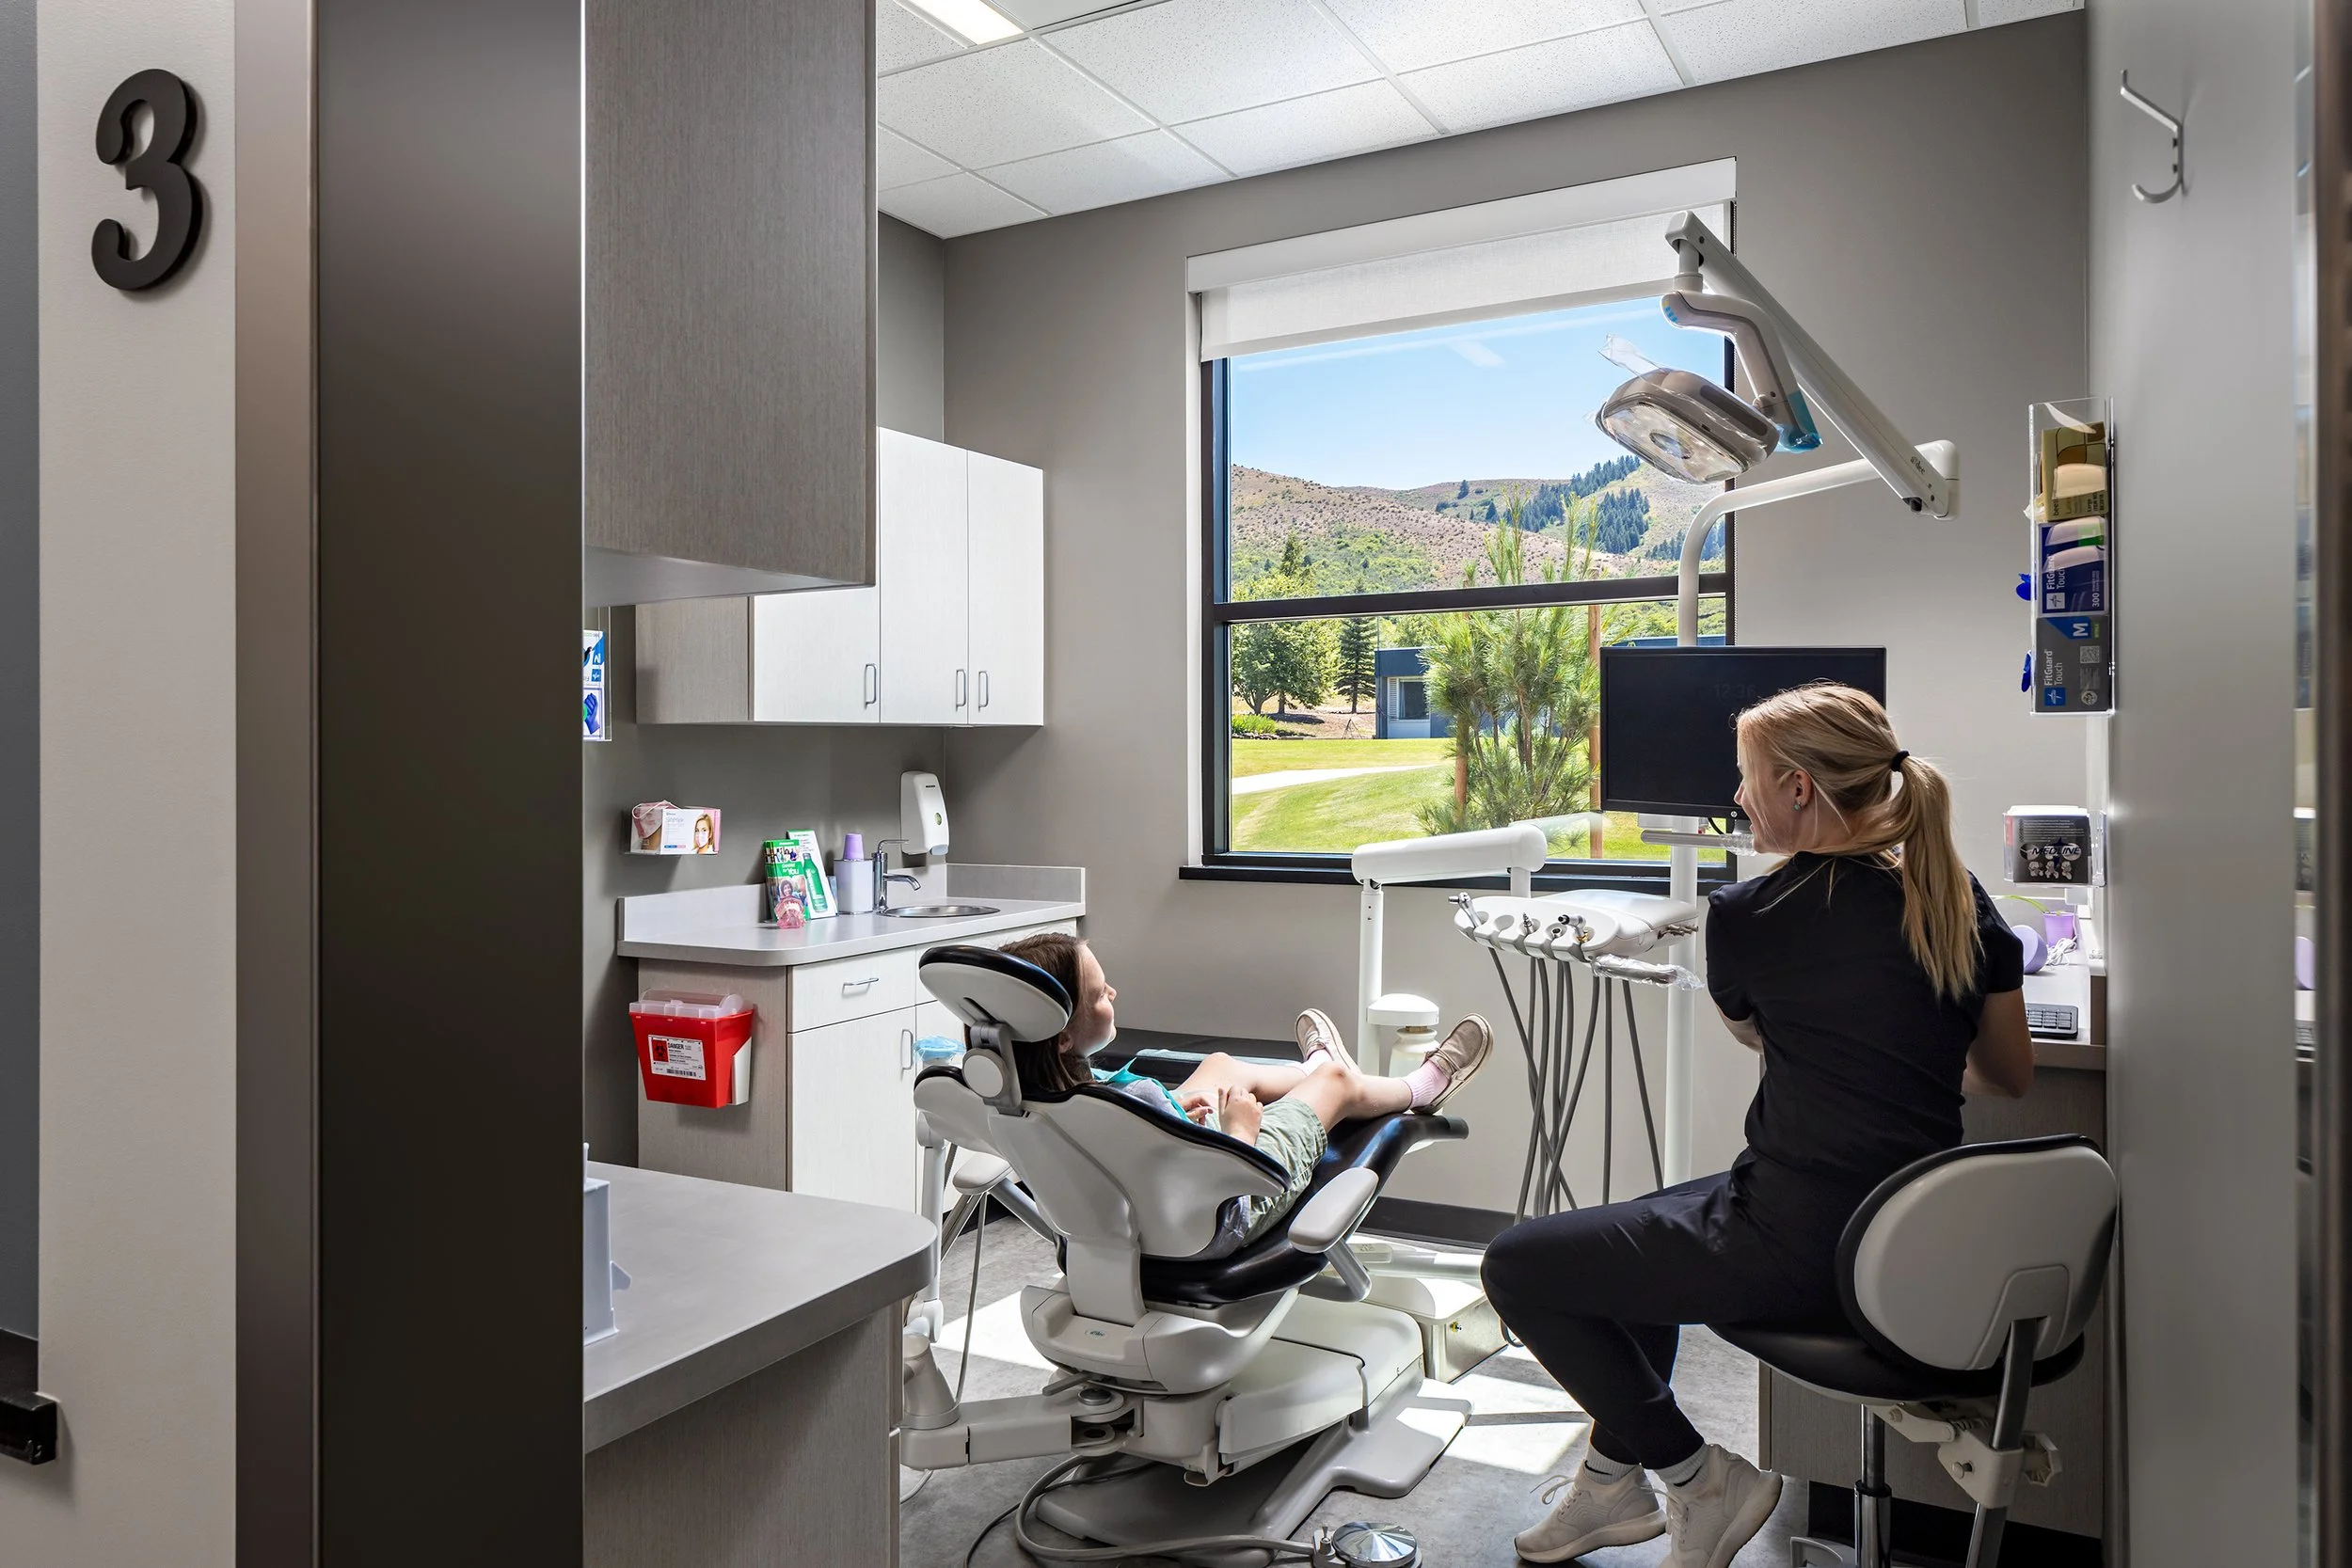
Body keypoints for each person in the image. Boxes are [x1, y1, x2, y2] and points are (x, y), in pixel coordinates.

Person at [1484, 683, 2033, 1568]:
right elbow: (2009, 1073)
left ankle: (1700, 1480)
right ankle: (1608, 1484)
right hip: (1908, 1243)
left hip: (1797, 1245)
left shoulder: (1749, 916)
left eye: (1745, 779)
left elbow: (1756, 1036)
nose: (1737, 798)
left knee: (1516, 1263)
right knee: (1640, 1229)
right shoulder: (1956, 896)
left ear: (1798, 789)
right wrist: (1915, 1036)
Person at [994, 931, 1494, 1251]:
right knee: (1335, 1086)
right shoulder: (1121, 1107)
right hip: (1221, 1210)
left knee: (1220, 1065)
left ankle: (1324, 1068)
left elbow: (1128, 1160)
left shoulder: (1038, 1095)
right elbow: (1229, 1177)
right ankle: (1414, 1088)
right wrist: (1238, 1131)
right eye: (1102, 993)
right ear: (1061, 1036)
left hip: (1152, 1208)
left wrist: (1174, 1118)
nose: (1114, 994)